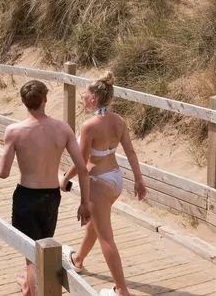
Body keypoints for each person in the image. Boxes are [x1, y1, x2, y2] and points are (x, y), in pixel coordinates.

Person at [0, 80, 91, 296]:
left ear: (23, 102)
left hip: (26, 196)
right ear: (45, 99)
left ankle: (31, 288)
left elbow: (3, 172)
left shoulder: (15, 131)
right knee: (42, 250)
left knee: (32, 255)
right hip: (51, 196)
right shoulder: (63, 129)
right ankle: (29, 286)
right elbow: (83, 169)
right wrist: (84, 203)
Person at [60, 72, 147, 296]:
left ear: (94, 98)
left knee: (106, 238)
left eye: (84, 95)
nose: (82, 98)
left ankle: (122, 290)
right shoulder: (118, 120)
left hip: (97, 183)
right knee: (97, 225)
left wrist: (65, 179)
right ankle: (78, 259)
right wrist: (138, 179)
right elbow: (131, 151)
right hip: (115, 180)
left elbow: (81, 163)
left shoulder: (90, 125)